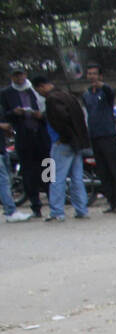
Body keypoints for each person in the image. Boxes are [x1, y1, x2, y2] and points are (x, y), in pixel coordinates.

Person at [33, 76, 89, 222]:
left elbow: (61, 120)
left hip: (62, 143)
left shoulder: (51, 99)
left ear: (41, 87)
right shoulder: (68, 95)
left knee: (55, 177)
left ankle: (57, 211)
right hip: (76, 142)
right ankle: (81, 209)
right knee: (77, 178)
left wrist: (62, 138)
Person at [2, 66, 50, 219]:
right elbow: (4, 116)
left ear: (25, 74)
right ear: (11, 77)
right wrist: (14, 113)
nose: (19, 78)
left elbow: (50, 111)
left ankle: (55, 202)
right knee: (29, 173)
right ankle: (36, 205)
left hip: (42, 135)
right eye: (16, 75)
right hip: (23, 137)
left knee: (48, 168)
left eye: (21, 74)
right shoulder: (6, 94)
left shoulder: (35, 90)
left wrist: (40, 115)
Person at [83, 64, 116, 214]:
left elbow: (110, 92)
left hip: (108, 135)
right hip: (94, 136)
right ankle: (111, 200)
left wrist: (103, 85)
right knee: (102, 171)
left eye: (95, 73)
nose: (92, 76)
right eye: (89, 74)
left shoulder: (106, 91)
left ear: (100, 76)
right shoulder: (87, 94)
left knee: (114, 168)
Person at [1, 120, 32, 222]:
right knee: (4, 181)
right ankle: (11, 212)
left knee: (7, 181)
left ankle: (10, 211)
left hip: (2, 148)